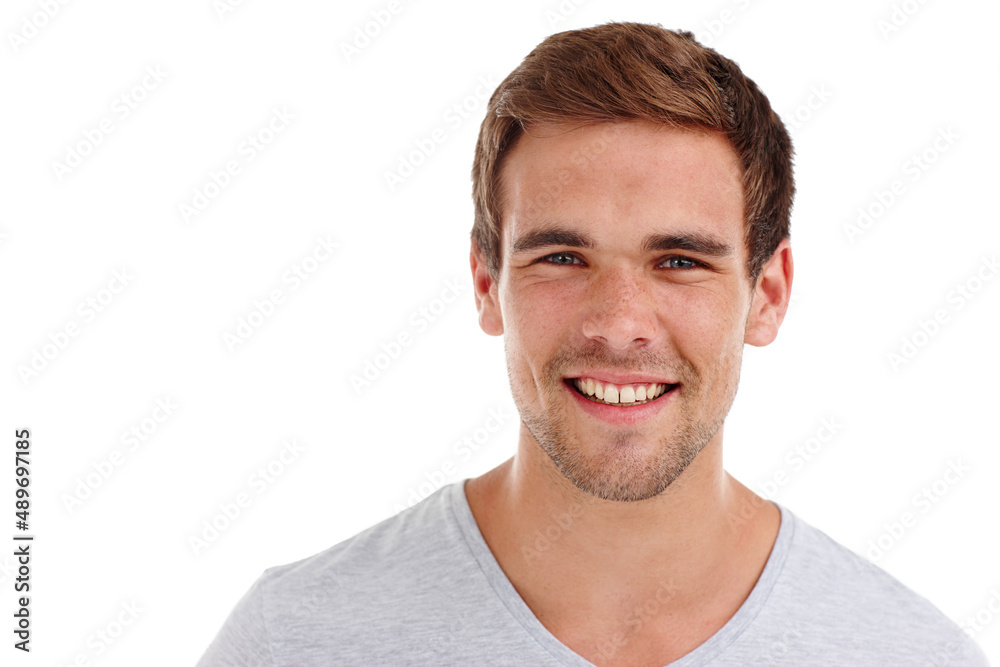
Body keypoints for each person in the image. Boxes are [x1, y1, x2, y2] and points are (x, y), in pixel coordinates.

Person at [196, 22, 990, 666]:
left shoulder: (912, 654)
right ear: (485, 282)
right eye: (562, 257)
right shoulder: (295, 640)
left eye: (679, 261)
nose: (618, 321)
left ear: (768, 294)